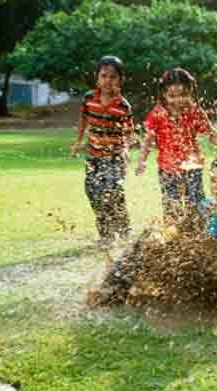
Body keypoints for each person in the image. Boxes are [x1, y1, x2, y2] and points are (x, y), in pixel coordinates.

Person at [94, 155, 217, 304]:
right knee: (150, 237)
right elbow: (180, 229)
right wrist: (162, 237)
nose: (216, 186)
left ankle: (110, 292)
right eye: (214, 180)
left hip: (210, 273)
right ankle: (112, 289)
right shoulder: (206, 206)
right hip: (192, 265)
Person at [136, 68, 217, 224]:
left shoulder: (194, 112)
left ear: (190, 91)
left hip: (192, 167)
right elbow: (148, 139)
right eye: (172, 96)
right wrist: (142, 160)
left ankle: (198, 235)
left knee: (196, 207)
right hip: (167, 169)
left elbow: (212, 134)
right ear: (164, 94)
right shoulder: (158, 113)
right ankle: (173, 238)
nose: (178, 101)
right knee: (171, 207)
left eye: (183, 95)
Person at [71, 56, 134, 250]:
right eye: (104, 76)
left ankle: (124, 229)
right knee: (93, 193)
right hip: (93, 156)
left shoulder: (123, 106)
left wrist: (126, 149)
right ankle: (106, 234)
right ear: (97, 78)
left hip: (115, 157)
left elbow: (129, 132)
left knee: (113, 191)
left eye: (113, 77)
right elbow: (83, 119)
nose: (108, 80)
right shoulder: (89, 99)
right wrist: (79, 141)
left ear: (120, 80)